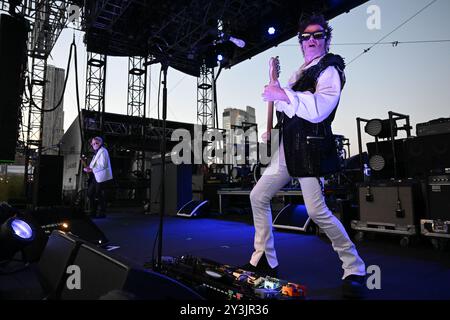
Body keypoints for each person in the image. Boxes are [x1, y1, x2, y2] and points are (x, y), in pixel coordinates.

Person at [244, 14, 367, 299]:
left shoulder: (330, 69)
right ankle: (265, 259)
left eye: (318, 35)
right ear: (300, 43)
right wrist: (276, 89)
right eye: (306, 37)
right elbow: (287, 107)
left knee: (316, 211)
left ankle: (355, 267)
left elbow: (320, 109)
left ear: (327, 38)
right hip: (289, 146)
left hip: (310, 147)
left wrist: (284, 95)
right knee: (258, 196)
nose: (312, 40)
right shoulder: (300, 72)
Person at [83, 136, 113, 218]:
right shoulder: (97, 152)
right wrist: (89, 168)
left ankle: (101, 212)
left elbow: (103, 165)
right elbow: (94, 165)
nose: (94, 145)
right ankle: (95, 212)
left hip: (101, 177)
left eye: (96, 143)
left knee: (97, 194)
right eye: (93, 144)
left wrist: (91, 170)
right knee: (90, 193)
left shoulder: (103, 151)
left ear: (100, 143)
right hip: (96, 176)